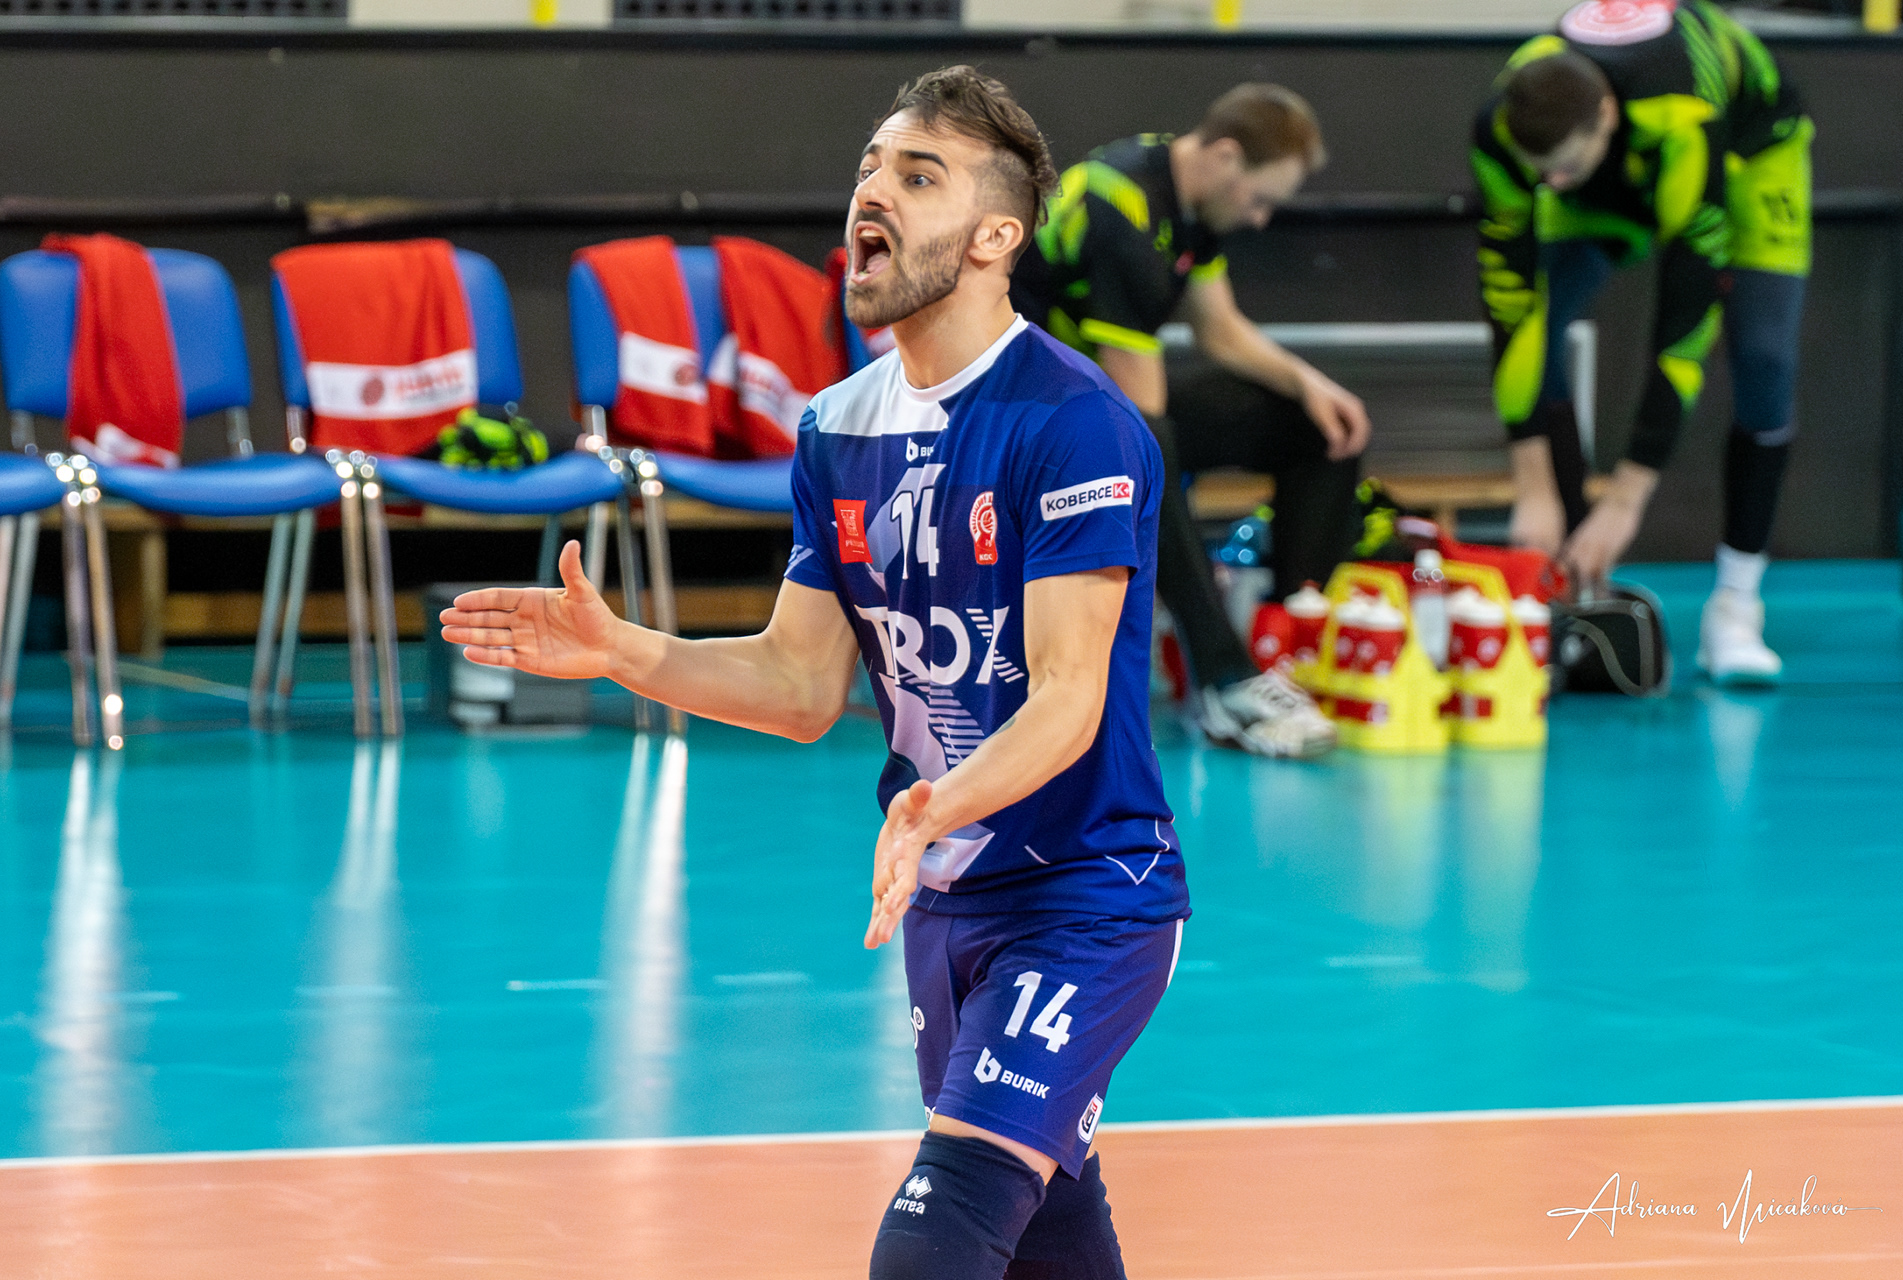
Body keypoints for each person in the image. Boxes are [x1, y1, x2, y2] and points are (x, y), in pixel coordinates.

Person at [441, 66, 1187, 1280]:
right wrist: (624, 649)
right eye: (869, 168)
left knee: (941, 1227)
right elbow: (799, 685)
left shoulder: (1072, 422)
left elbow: (1068, 698)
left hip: (1087, 892)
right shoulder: (838, 425)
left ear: (996, 237)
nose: (871, 194)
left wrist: (935, 804)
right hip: (944, 898)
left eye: (919, 176)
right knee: (1049, 1227)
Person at [1011, 86, 1372, 759]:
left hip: (1089, 396)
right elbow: (1136, 410)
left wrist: (1312, 385)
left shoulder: (1188, 194)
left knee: (1319, 430)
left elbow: (1220, 329)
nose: (1260, 218)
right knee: (1151, 448)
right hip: (1018, 419)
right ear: (1227, 157)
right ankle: (1224, 681)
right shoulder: (1122, 210)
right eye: (1260, 199)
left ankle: (1285, 642)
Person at [1474, 0, 1813, 683]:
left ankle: (1736, 605)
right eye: (1540, 173)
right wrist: (1531, 486)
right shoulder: (1505, 131)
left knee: (1763, 358)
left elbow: (1685, 323)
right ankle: (1573, 580)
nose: (1550, 186)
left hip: (1746, 151)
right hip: (1613, 159)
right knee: (1545, 314)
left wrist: (1625, 500)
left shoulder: (1682, 116)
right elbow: (1511, 305)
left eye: (1561, 170)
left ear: (1603, 117)